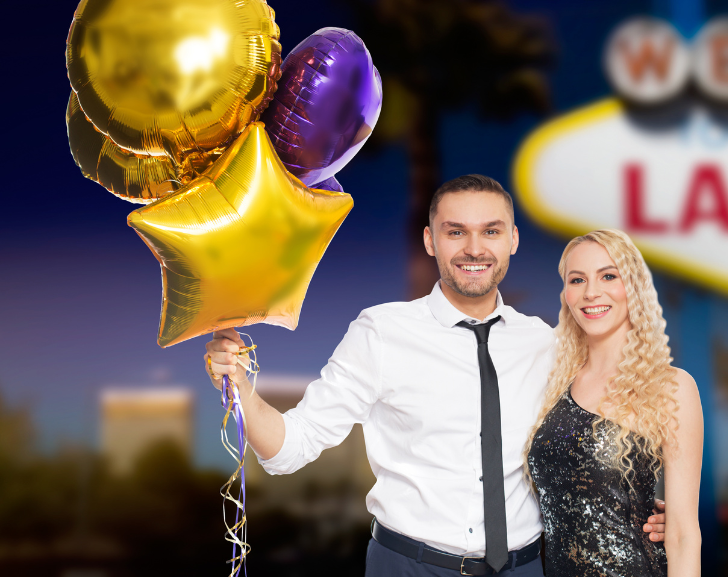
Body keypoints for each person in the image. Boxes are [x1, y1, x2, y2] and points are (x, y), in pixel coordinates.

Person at [203, 175, 666, 576]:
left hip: (524, 568)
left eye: (491, 231)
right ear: (430, 241)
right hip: (408, 566)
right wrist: (242, 390)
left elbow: (597, 435)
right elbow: (290, 449)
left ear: (513, 240)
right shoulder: (381, 333)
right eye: (455, 232)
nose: (474, 248)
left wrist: (650, 512)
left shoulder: (546, 344)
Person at [526, 229, 703, 577]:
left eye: (608, 275)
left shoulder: (671, 387)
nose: (592, 292)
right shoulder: (552, 384)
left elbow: (683, 535)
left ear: (633, 287)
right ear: (566, 294)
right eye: (577, 279)